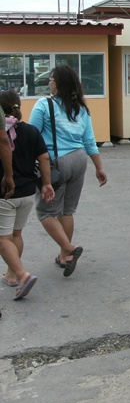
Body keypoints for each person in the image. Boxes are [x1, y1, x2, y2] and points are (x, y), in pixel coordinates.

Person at [29, 64, 107, 277]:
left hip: (55, 163)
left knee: (45, 212)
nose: (49, 82)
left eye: (51, 79)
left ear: (59, 83)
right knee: (67, 210)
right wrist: (99, 167)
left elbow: (32, 137)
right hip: (79, 160)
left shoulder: (44, 105)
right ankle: (64, 256)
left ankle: (69, 247)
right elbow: (89, 140)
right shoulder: (81, 108)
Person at [0, 90, 54, 300]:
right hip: (27, 193)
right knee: (16, 235)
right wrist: (47, 184)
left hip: (6, 194)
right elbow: (44, 158)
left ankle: (21, 274)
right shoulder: (31, 131)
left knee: (2, 238)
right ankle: (12, 274)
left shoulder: (2, 132)